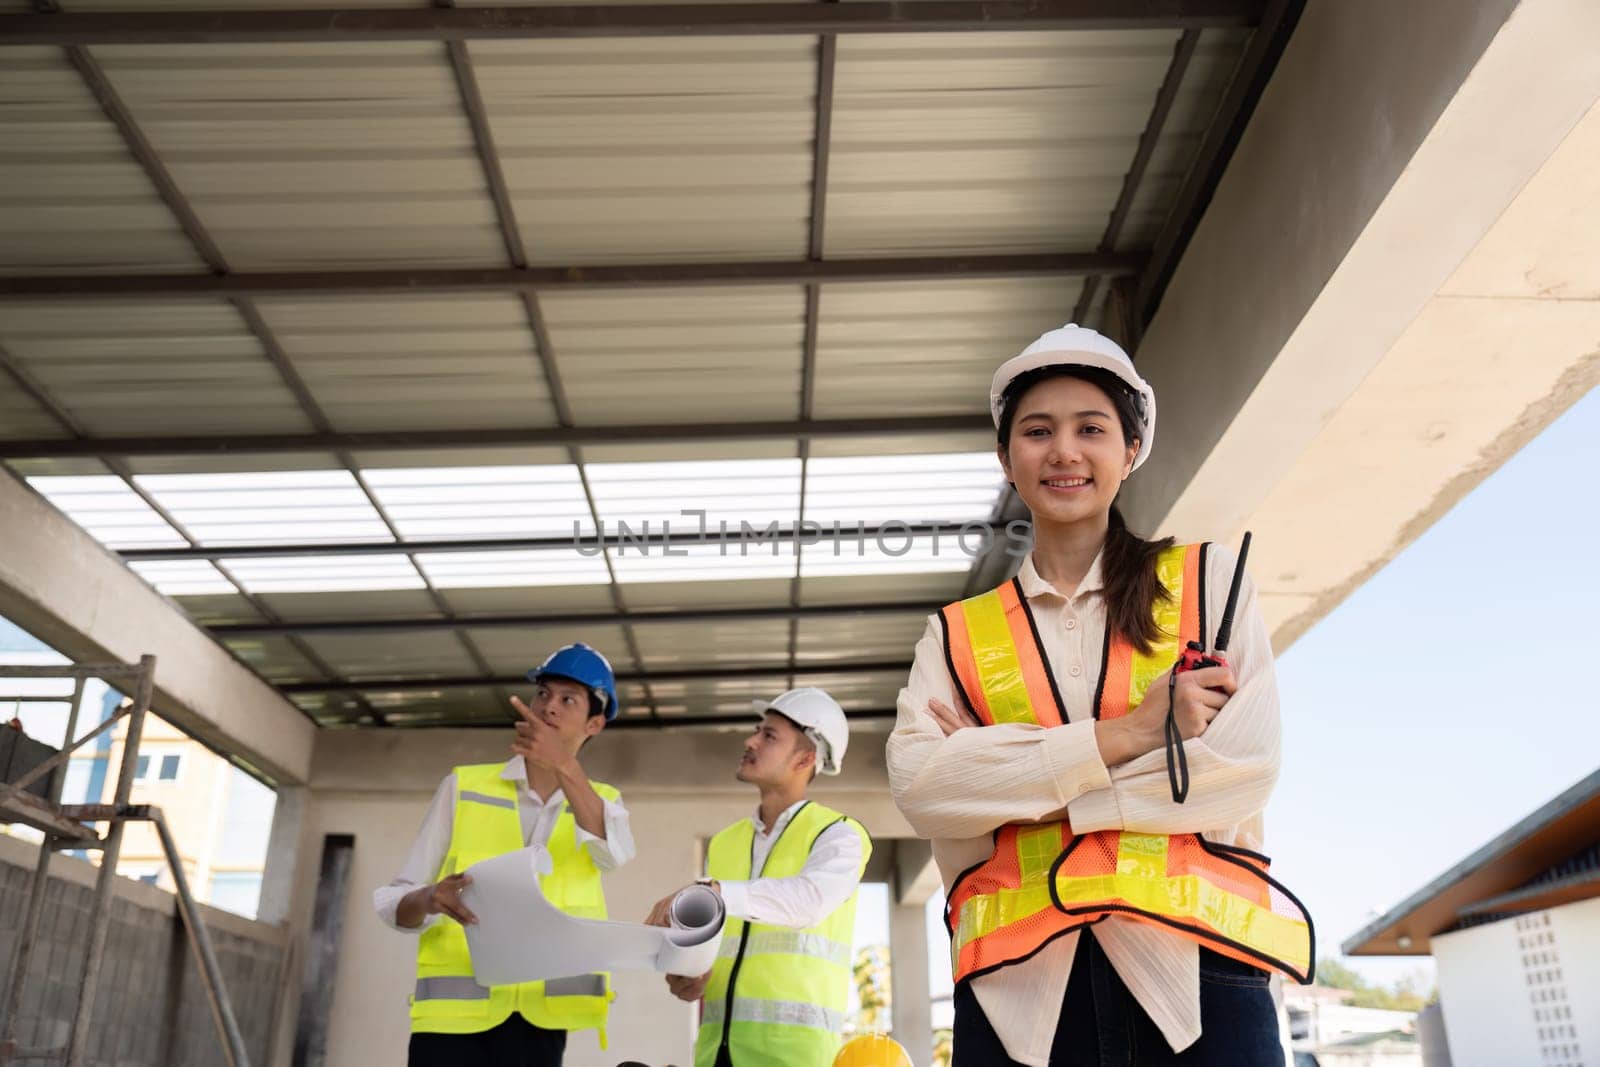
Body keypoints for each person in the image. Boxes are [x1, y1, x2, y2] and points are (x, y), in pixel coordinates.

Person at [886, 325, 1313, 1066]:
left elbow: (1244, 763)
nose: (1064, 451)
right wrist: (1128, 736)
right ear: (1006, 458)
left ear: (1130, 450)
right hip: (1019, 999)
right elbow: (923, 787)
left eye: (1091, 428)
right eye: (1037, 430)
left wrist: (1017, 784)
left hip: (1199, 972)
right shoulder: (956, 635)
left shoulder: (1210, 586)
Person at [374, 642, 636, 1067]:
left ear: (595, 724)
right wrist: (428, 898)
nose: (549, 707)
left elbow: (612, 855)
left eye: (567, 699)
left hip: (540, 1020)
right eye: (544, 694)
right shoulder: (463, 787)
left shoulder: (603, 803)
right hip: (450, 1023)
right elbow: (393, 902)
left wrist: (564, 766)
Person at [646, 687, 871, 1067]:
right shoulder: (725, 843)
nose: (751, 741)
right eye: (757, 730)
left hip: (792, 1058)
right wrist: (691, 974)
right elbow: (724, 947)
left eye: (769, 736)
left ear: (806, 758)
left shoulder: (839, 835)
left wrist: (714, 892)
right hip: (716, 1053)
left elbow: (807, 902)